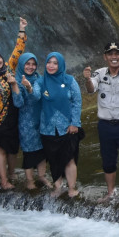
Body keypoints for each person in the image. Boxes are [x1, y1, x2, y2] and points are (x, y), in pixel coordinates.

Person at [83, 42, 119, 205]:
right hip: (105, 125)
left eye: (117, 54)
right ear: (105, 57)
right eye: (110, 54)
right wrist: (87, 79)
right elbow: (90, 89)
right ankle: (111, 193)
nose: (114, 57)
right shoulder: (99, 74)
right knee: (108, 160)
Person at [0, 19, 27, 191]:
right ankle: (3, 180)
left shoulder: (9, 69)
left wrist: (21, 30)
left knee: (12, 149)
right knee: (0, 150)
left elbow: (18, 50)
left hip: (13, 117)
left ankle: (11, 173)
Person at [39, 51, 83, 199]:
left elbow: (77, 102)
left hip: (68, 127)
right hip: (48, 128)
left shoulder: (70, 81)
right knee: (53, 158)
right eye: (49, 62)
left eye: (55, 63)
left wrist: (75, 123)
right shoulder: (41, 81)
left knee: (69, 158)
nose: (51, 66)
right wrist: (28, 88)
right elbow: (34, 96)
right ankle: (58, 187)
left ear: (61, 65)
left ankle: (71, 188)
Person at [14, 52, 48, 191]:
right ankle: (29, 180)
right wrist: (21, 87)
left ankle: (42, 176)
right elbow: (18, 103)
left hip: (41, 119)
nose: (31, 67)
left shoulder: (39, 78)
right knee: (29, 152)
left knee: (42, 150)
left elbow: (40, 97)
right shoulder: (16, 81)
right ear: (22, 64)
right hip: (26, 121)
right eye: (27, 64)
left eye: (33, 64)